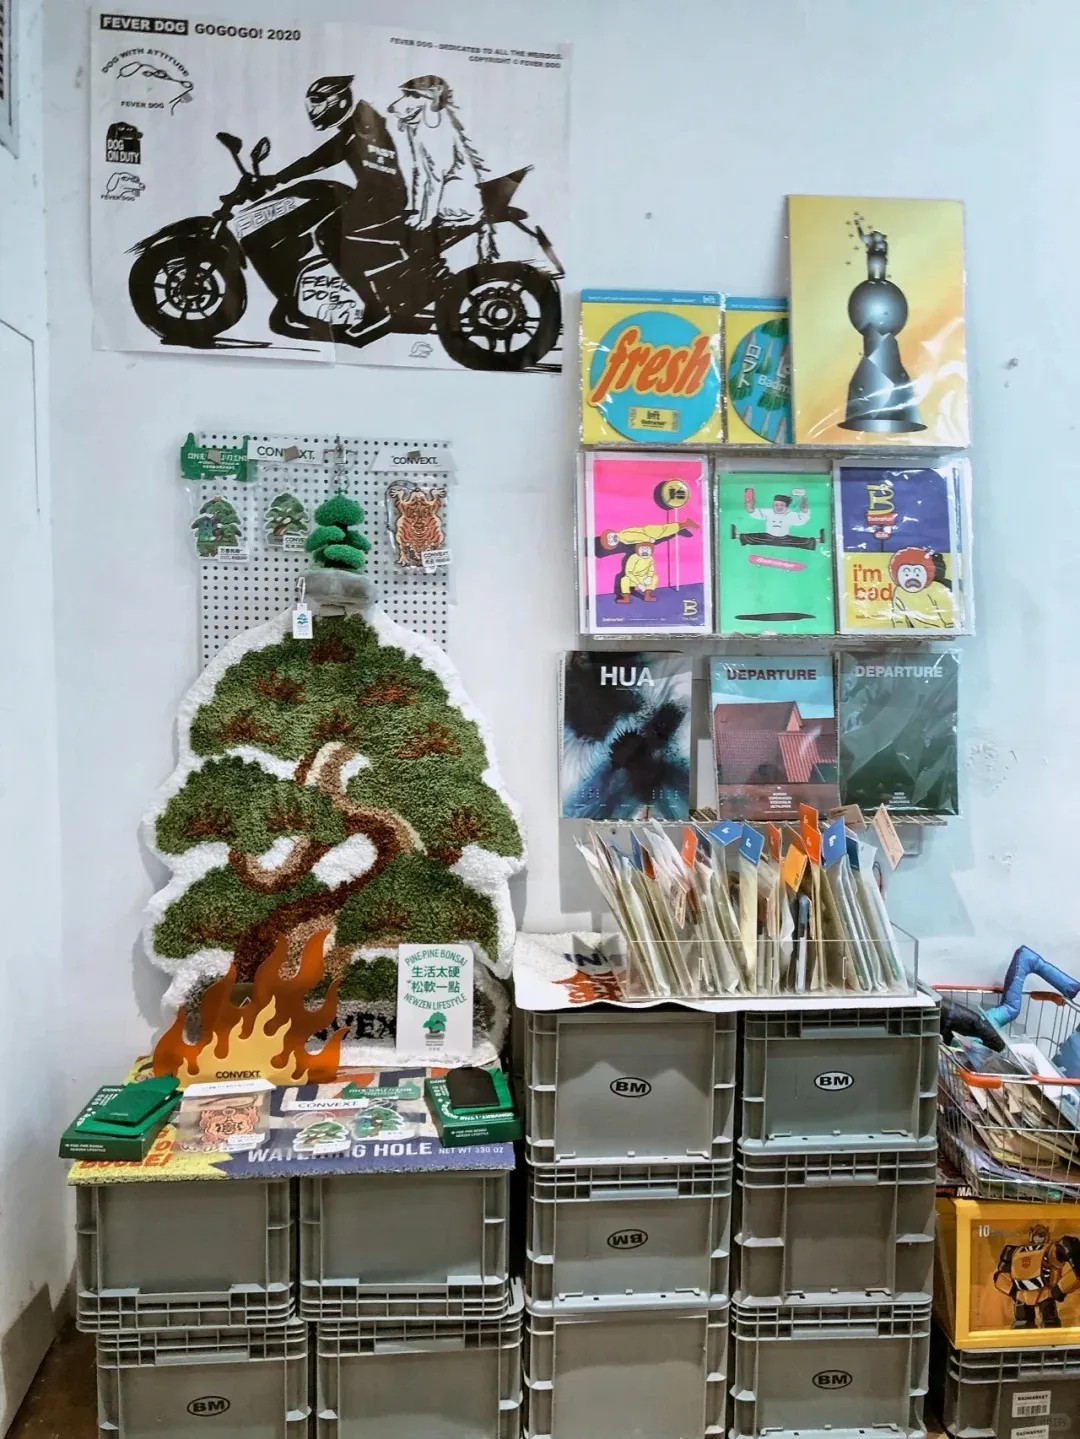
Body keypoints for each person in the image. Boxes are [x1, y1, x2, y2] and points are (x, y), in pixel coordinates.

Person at [257, 75, 409, 345]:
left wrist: (278, 179)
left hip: (383, 200)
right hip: (374, 196)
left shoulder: (361, 127)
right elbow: (319, 158)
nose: (313, 109)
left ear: (338, 101)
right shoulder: (356, 125)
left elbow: (321, 158)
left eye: (318, 101)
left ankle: (374, 310)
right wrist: (278, 178)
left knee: (329, 234)